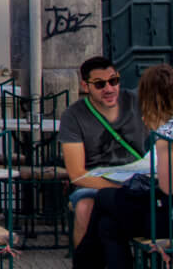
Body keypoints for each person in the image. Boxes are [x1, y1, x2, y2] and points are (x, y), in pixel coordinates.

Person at [74, 64, 173, 269]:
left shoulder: (166, 133)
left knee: (103, 199)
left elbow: (167, 186)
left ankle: (82, 265)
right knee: (107, 225)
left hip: (168, 219)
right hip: (164, 212)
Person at [61, 56, 148, 247]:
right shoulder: (73, 115)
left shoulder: (137, 101)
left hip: (137, 179)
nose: (109, 89)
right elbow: (77, 175)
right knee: (85, 208)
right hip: (96, 182)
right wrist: (121, 189)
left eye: (113, 81)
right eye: (100, 84)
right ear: (86, 86)